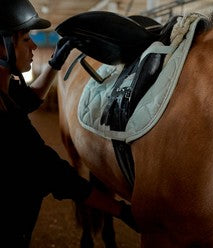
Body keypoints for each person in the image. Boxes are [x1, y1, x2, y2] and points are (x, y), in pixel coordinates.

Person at [0, 0, 139, 247]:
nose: (33, 46)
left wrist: (55, 63)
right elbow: (58, 175)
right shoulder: (10, 127)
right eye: (25, 39)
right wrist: (122, 211)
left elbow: (28, 99)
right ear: (2, 48)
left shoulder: (6, 92)